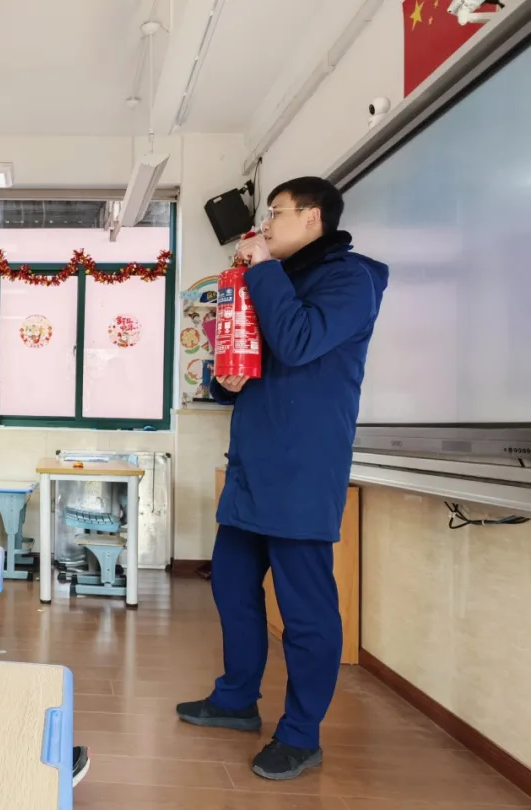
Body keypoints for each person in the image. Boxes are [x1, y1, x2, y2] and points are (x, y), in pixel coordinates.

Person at [176, 177, 388, 780]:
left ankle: (300, 734)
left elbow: (297, 343)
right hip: (252, 464)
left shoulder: (351, 280)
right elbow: (247, 356)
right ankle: (236, 699)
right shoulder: (274, 279)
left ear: (313, 218)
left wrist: (264, 269)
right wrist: (224, 380)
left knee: (304, 609)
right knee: (231, 585)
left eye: (276, 213)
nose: (265, 225)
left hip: (302, 470)